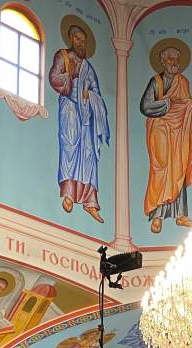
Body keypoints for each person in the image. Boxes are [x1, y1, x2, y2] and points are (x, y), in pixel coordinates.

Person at [49, 24, 109, 223]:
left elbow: (97, 93)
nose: (81, 43)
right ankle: (67, 193)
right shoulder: (63, 56)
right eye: (77, 39)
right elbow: (54, 77)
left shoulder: (88, 67)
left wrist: (90, 95)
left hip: (86, 116)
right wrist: (69, 77)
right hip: (69, 108)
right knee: (70, 148)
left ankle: (90, 202)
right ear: (70, 39)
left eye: (83, 40)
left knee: (89, 155)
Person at [140, 44, 192, 233]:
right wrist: (167, 104)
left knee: (180, 168)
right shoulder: (156, 82)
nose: (174, 63)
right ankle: (157, 215)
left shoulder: (183, 81)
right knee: (161, 169)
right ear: (164, 62)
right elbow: (145, 106)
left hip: (180, 132)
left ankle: (181, 215)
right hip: (160, 130)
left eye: (176, 60)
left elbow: (187, 103)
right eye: (170, 60)